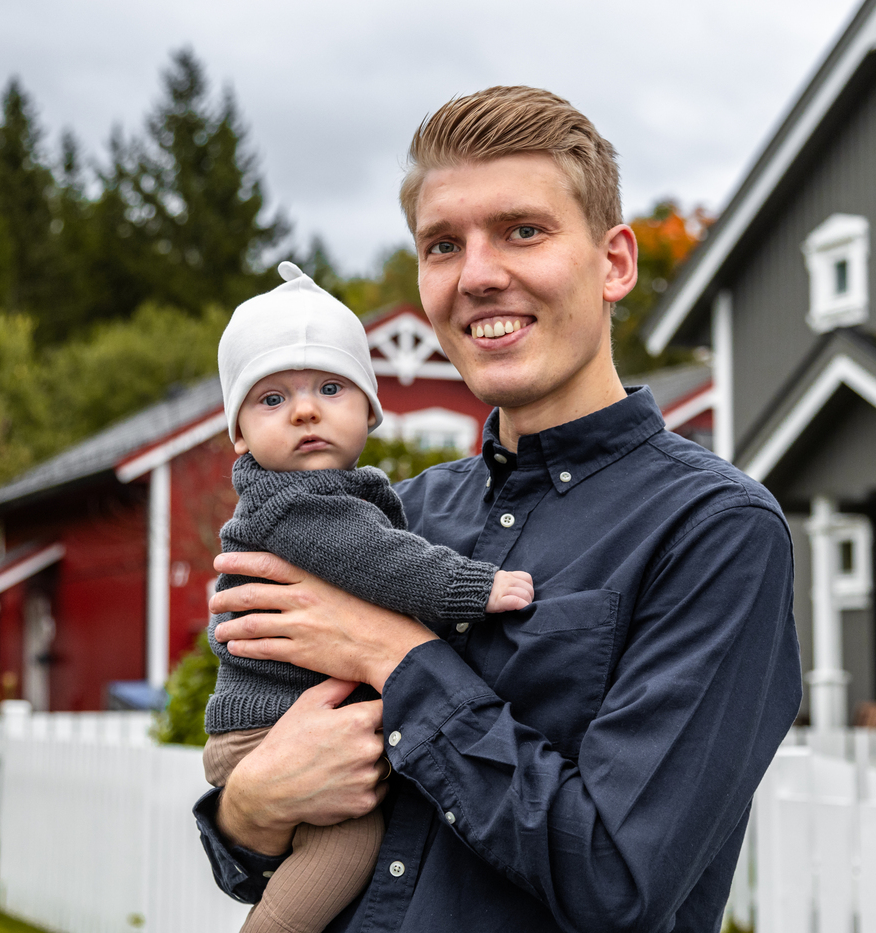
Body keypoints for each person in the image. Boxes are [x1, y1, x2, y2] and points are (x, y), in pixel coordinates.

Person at [193, 85, 802, 933]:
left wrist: (395, 656)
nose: (477, 275)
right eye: (443, 245)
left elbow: (618, 882)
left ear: (614, 263)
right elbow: (255, 855)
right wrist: (251, 808)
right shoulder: (396, 514)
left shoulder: (715, 532)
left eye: (523, 230)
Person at [204, 261, 535, 933]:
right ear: (238, 434)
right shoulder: (295, 504)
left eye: (329, 387)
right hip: (270, 729)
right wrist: (477, 586)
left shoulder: (347, 498)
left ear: (369, 410)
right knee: (347, 842)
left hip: (279, 729)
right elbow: (388, 565)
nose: (303, 409)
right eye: (270, 399)